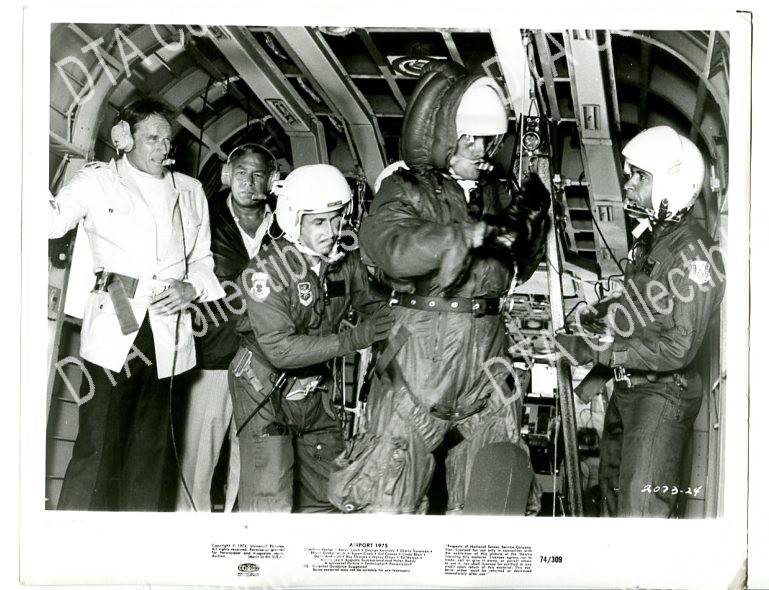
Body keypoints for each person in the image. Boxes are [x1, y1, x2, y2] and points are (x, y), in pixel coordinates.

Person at [327, 62, 551, 514]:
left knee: (494, 509)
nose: (482, 150)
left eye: (489, 140)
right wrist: (460, 237)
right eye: (471, 139)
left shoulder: (499, 193)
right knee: (387, 500)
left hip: (486, 366)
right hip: (415, 365)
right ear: (447, 136)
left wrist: (532, 227)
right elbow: (391, 249)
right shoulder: (403, 188)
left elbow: (516, 271)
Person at [49, 99, 224, 511]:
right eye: (152, 138)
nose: (164, 147)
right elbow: (53, 222)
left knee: (151, 451)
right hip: (119, 315)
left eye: (167, 139)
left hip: (168, 328)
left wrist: (192, 288)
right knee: (98, 443)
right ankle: (73, 535)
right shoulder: (97, 181)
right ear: (123, 137)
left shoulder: (190, 191)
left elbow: (203, 260)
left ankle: (138, 541)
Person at [555, 125, 725, 517]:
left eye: (640, 177)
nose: (628, 185)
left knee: (639, 516)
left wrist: (603, 350)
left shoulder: (695, 254)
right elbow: (643, 309)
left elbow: (679, 346)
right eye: (630, 175)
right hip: (629, 391)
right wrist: (600, 316)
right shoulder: (652, 241)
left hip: (661, 397)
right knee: (612, 507)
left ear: (672, 184)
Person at [229, 163, 392, 513]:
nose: (332, 232)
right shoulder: (265, 272)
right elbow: (280, 349)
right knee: (271, 491)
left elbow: (377, 307)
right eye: (319, 222)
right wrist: (353, 339)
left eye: (337, 219)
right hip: (264, 384)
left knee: (332, 490)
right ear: (293, 220)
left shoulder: (344, 261)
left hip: (314, 386)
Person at [175, 144, 278, 512]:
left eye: (258, 175)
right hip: (212, 355)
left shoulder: (284, 228)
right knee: (197, 459)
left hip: (265, 360)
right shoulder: (202, 219)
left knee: (251, 458)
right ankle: (189, 527)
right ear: (226, 175)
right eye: (241, 173)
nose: (248, 182)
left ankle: (239, 530)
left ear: (272, 180)